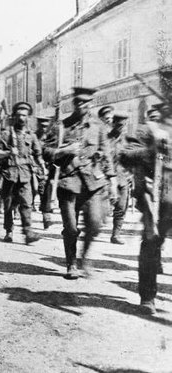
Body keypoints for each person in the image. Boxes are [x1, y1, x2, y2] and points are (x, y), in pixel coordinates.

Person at [43, 87, 116, 279]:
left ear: (91, 104)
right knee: (71, 228)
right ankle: (71, 264)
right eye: (79, 103)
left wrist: (113, 181)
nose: (83, 106)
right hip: (68, 182)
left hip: (93, 183)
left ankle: (84, 257)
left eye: (87, 103)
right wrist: (64, 151)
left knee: (95, 223)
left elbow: (107, 154)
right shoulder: (61, 126)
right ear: (74, 104)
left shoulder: (99, 127)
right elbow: (45, 151)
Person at [119, 102, 171, 314]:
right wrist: (152, 150)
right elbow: (125, 155)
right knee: (152, 244)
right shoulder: (150, 129)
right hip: (158, 198)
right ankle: (148, 297)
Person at [0, 102, 43, 244]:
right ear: (14, 116)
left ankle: (28, 232)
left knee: (27, 203)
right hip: (9, 174)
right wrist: (9, 152)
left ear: (28, 117)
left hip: (25, 174)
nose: (21, 118)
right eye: (19, 115)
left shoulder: (31, 135)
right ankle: (9, 231)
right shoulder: (6, 134)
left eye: (24, 115)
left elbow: (37, 153)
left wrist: (42, 166)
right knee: (9, 205)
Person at [106, 112, 133, 244]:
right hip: (106, 179)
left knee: (121, 207)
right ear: (114, 124)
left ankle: (116, 234)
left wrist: (131, 174)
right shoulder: (106, 139)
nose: (122, 128)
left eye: (124, 125)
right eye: (119, 125)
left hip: (123, 178)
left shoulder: (128, 141)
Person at [35, 116, 55, 229]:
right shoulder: (33, 137)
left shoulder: (52, 138)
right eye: (42, 126)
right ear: (38, 125)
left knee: (45, 190)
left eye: (46, 126)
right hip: (33, 167)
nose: (44, 128)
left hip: (47, 168)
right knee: (32, 190)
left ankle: (46, 215)